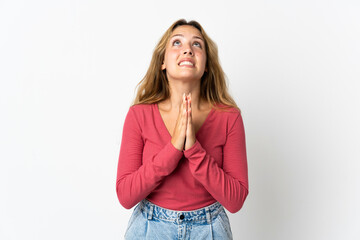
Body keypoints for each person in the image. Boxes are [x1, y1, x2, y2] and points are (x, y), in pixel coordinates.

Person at [116, 19, 249, 239]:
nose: (187, 49)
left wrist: (194, 149)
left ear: (206, 65)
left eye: (197, 44)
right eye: (177, 43)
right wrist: (173, 148)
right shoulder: (139, 114)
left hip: (210, 229)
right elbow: (126, 195)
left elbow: (235, 201)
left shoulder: (229, 117)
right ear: (163, 62)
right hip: (150, 228)